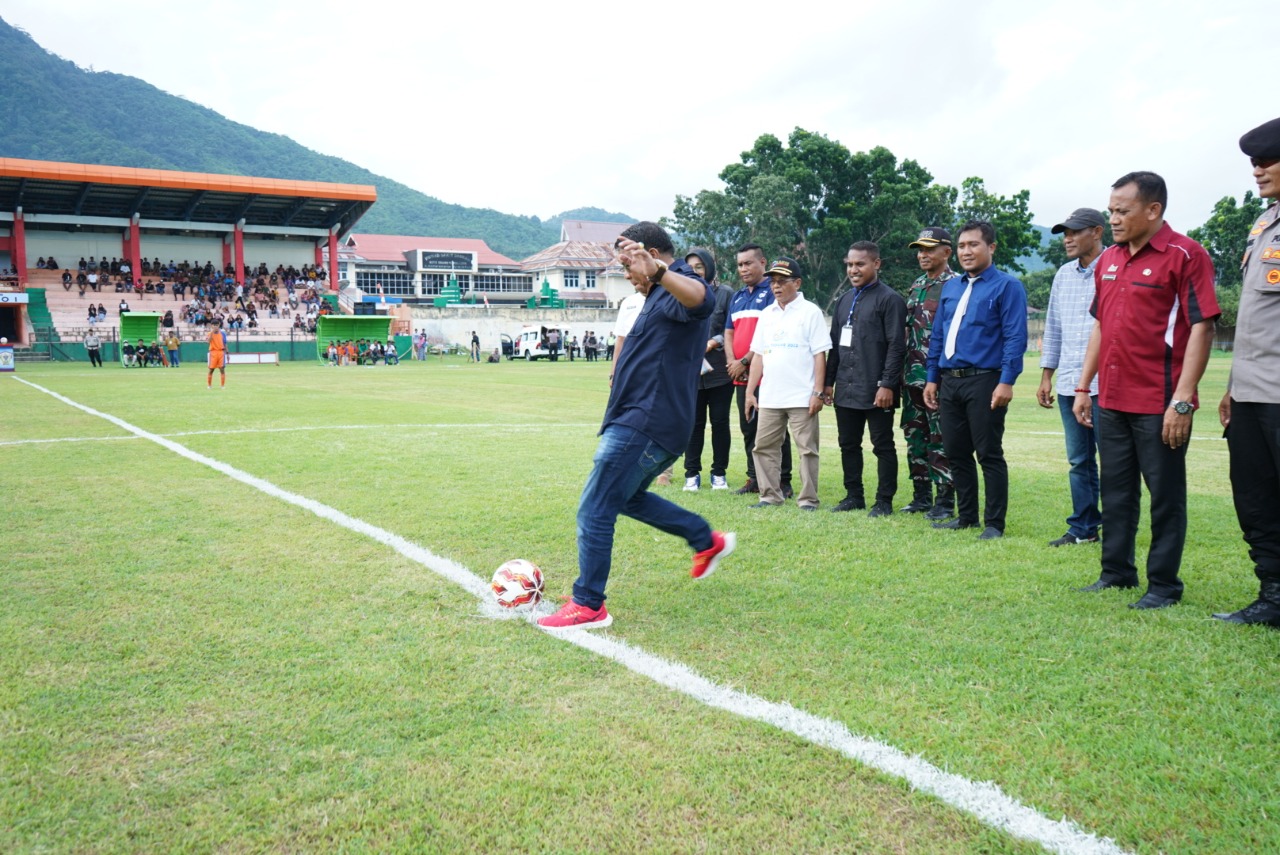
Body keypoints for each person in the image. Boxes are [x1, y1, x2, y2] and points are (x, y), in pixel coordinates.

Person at [538, 222, 734, 632]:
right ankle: (705, 539)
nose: (627, 274)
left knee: (595, 507)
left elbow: (703, 299)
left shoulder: (678, 283)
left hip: (646, 421)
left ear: (653, 254)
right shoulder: (654, 295)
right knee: (625, 499)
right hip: (643, 419)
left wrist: (660, 272)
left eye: (630, 264)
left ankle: (589, 604)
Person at [1072, 171, 1219, 609]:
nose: (1113, 219)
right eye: (1111, 210)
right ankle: (1116, 572)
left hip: (1159, 401)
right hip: (1111, 398)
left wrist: (1183, 397)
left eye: (1123, 210)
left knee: (1165, 496)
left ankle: (1163, 585)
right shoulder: (1108, 260)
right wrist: (1084, 386)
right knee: (1115, 491)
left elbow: (1202, 327)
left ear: (1153, 210)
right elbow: (1101, 325)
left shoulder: (1185, 255)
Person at [924, 220, 1027, 540]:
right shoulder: (951, 287)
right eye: (961, 246)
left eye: (974, 245)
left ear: (991, 248)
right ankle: (966, 516)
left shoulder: (1007, 286)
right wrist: (932, 377)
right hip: (951, 381)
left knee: (989, 453)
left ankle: (994, 523)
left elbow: (1015, 337)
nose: (966, 251)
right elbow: (939, 334)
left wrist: (1007, 380)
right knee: (955, 451)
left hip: (986, 380)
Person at [1216, 117, 1280, 627]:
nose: (1257, 170)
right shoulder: (1265, 225)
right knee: (1255, 498)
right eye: (1253, 163)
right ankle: (1274, 596)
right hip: (1252, 394)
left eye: (1266, 160)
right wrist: (1233, 389)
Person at [1037, 208, 1106, 547]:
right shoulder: (1063, 275)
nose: (1067, 238)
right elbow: (1054, 328)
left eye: (1074, 232)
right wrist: (1046, 376)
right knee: (1079, 460)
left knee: (1114, 462)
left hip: (1106, 385)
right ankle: (1084, 527)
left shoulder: (1115, 267)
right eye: (1064, 232)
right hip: (1068, 384)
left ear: (1096, 232)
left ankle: (1119, 528)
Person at [824, 241, 907, 517]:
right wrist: (828, 382)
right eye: (849, 264)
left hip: (876, 388)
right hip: (846, 387)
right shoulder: (844, 300)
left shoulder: (889, 299)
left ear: (876, 264)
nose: (853, 269)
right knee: (848, 444)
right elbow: (835, 345)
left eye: (860, 264)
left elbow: (897, 345)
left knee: (882, 445)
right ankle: (853, 496)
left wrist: (887, 384)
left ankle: (884, 501)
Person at [743, 257, 830, 510]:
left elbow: (819, 355)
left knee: (807, 450)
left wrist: (817, 392)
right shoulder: (767, 314)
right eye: (773, 282)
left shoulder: (810, 312)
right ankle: (770, 496)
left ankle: (808, 500)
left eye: (782, 281)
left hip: (802, 395)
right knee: (764, 448)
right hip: (770, 395)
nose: (776, 287)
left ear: (798, 283)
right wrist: (750, 392)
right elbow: (758, 355)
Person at [726, 243, 793, 497]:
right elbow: (728, 331)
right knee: (748, 427)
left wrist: (744, 362)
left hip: (768, 375)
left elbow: (768, 335)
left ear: (762, 263)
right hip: (741, 378)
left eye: (748, 263)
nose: (743, 269)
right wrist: (733, 363)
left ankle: (783, 481)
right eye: (740, 264)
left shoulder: (774, 293)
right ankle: (754, 477)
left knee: (777, 430)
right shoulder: (738, 296)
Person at [901, 228, 957, 519]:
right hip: (911, 376)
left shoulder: (956, 285)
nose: (922, 254)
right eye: (919, 249)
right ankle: (921, 495)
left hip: (938, 379)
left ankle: (945, 500)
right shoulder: (917, 284)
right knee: (915, 436)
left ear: (946, 252)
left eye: (929, 249)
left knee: (941, 437)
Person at [681, 248, 734, 491]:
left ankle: (719, 474)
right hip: (691, 371)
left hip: (720, 372)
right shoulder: (681, 293)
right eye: (690, 267)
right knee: (693, 423)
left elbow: (731, 329)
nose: (695, 271)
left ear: (709, 267)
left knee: (720, 422)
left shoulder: (725, 294)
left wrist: (713, 342)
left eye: (699, 267)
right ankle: (691, 474)